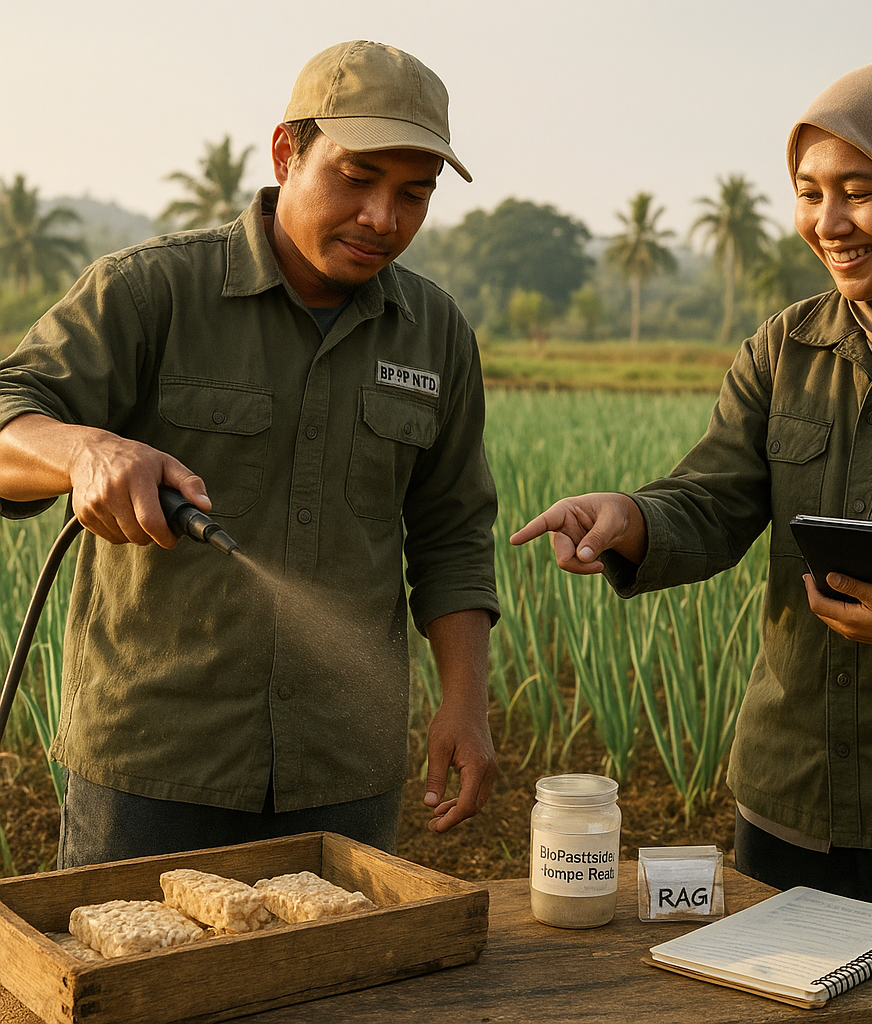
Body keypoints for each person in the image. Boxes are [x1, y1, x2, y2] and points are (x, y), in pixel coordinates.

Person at [513, 62, 872, 1019]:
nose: (828, 221)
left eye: (861, 192)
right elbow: (713, 497)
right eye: (810, 193)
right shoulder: (787, 347)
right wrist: (632, 517)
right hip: (788, 803)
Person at [0, 40, 500, 866]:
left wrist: (466, 703)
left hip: (343, 767)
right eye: (357, 178)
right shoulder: (149, 291)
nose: (384, 217)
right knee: (129, 983)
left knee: (333, 992)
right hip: (153, 764)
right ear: (286, 152)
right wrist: (83, 451)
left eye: (415, 194)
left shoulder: (436, 331)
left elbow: (452, 531)